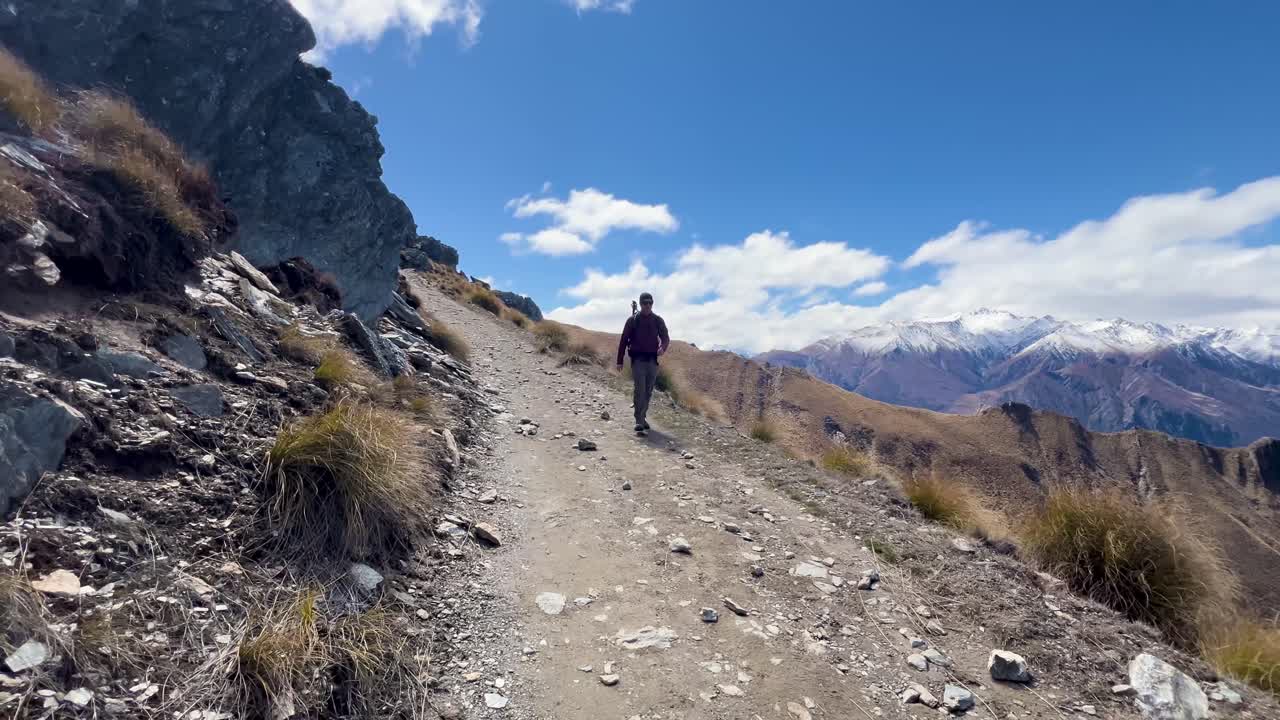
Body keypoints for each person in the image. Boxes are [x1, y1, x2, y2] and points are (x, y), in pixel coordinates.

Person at [616, 292, 670, 432]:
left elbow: (665, 338)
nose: (647, 306)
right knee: (640, 390)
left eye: (650, 303)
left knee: (648, 391)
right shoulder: (632, 320)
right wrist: (619, 360)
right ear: (640, 304)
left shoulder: (658, 320)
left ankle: (643, 416)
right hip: (638, 360)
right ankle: (639, 420)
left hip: (652, 361)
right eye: (644, 303)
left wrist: (662, 348)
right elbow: (623, 340)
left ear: (652, 304)